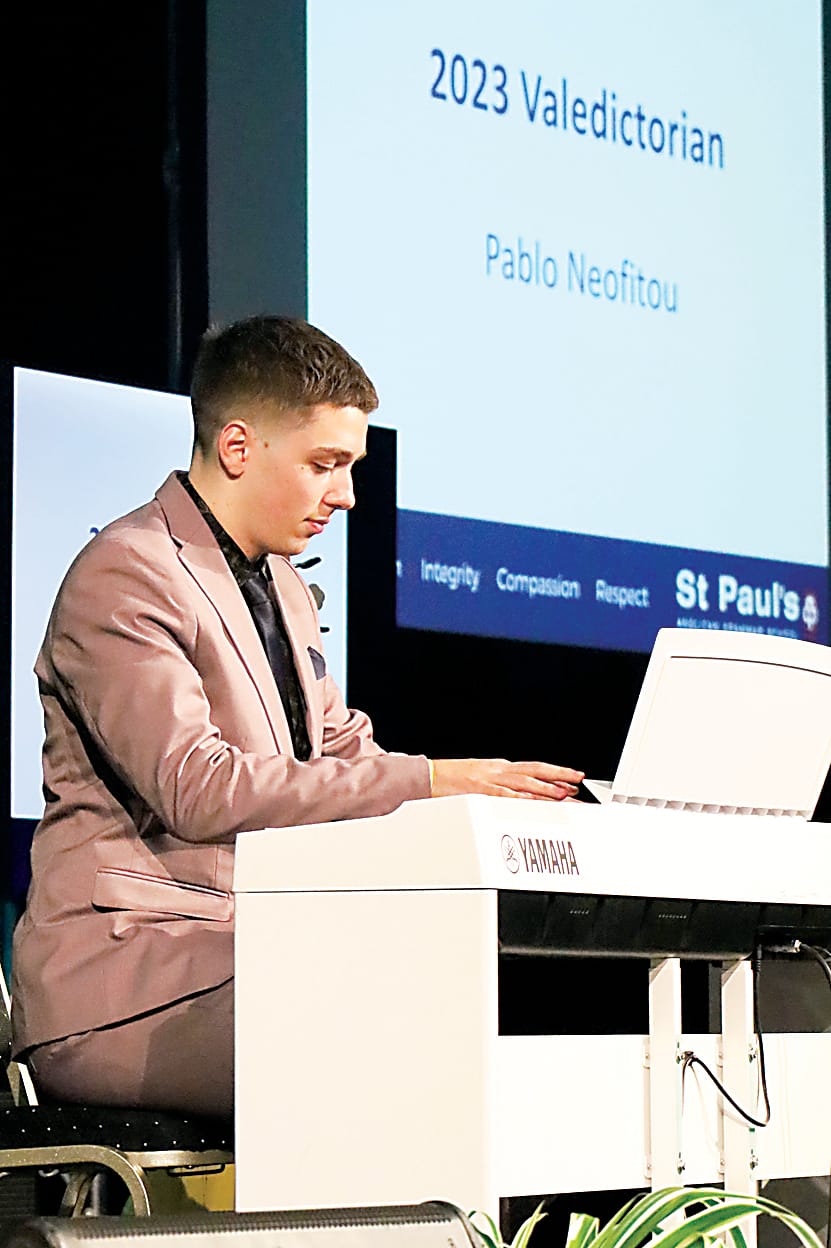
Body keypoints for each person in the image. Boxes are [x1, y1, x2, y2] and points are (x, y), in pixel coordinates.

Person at [11, 316, 583, 1118]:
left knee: (433, 1004)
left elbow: (340, 749)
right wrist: (428, 783)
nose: (345, 495)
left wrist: (478, 798)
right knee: (384, 1045)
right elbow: (196, 788)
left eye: (349, 467)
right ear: (239, 448)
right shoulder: (126, 574)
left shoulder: (282, 585)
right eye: (325, 464)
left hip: (249, 957)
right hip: (128, 985)